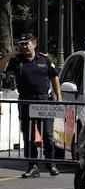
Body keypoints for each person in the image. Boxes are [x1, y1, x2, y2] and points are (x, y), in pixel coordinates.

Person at [3, 33, 62, 177]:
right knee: (28, 136)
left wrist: (59, 97)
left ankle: (51, 164)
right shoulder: (17, 60)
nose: (23, 46)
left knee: (47, 135)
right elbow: (2, 68)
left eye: (26, 43)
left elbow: (54, 78)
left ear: (34, 44)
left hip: (44, 102)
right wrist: (11, 53)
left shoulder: (44, 59)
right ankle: (32, 165)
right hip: (26, 102)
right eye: (21, 44)